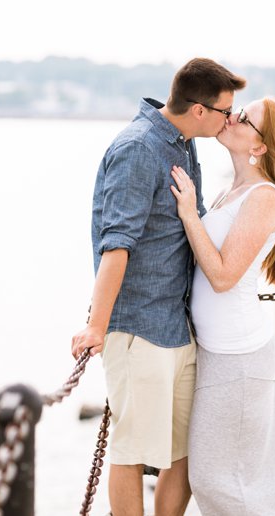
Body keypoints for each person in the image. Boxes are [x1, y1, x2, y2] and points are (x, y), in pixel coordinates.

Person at [70, 58, 246, 516]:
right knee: (130, 454)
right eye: (226, 111)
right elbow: (116, 247)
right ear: (201, 110)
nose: (231, 119)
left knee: (186, 454)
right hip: (137, 330)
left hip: (177, 326)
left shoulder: (183, 144)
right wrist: (96, 328)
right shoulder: (138, 148)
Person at [169, 97, 275, 515]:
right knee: (234, 479)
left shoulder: (264, 197)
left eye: (244, 118)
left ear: (260, 146)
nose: (231, 117)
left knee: (219, 481)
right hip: (220, 351)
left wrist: (189, 214)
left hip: (239, 357)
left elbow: (225, 276)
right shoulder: (233, 189)